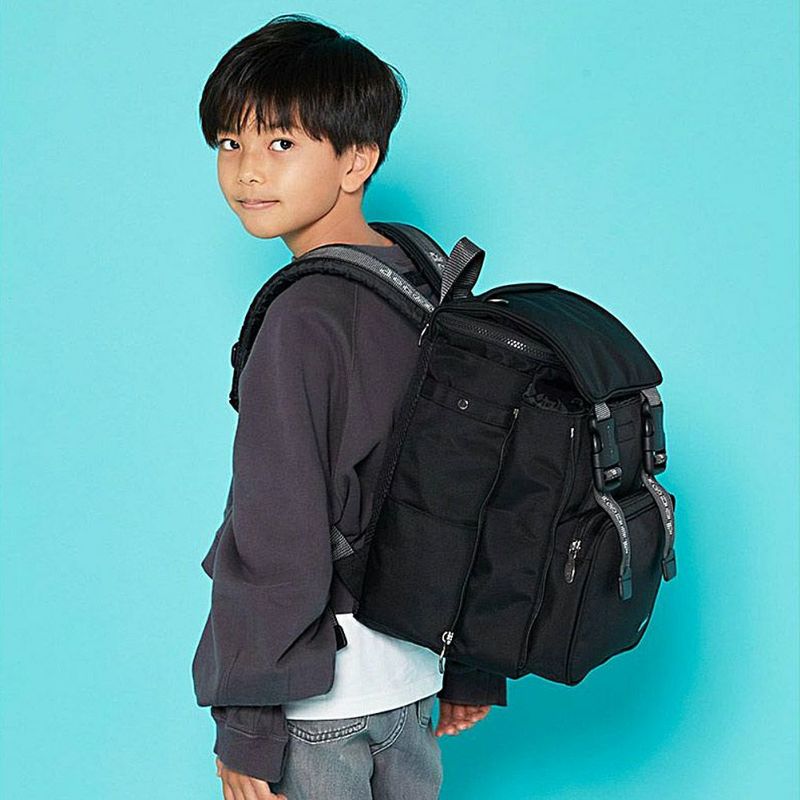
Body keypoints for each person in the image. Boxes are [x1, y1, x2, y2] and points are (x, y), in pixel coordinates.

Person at [191, 13, 507, 800]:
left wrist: (247, 725)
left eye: (281, 143)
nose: (247, 171)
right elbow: (471, 476)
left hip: (318, 705)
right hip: (413, 681)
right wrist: (472, 664)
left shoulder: (302, 319)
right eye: (229, 143)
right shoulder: (425, 277)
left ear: (357, 159)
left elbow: (277, 527)